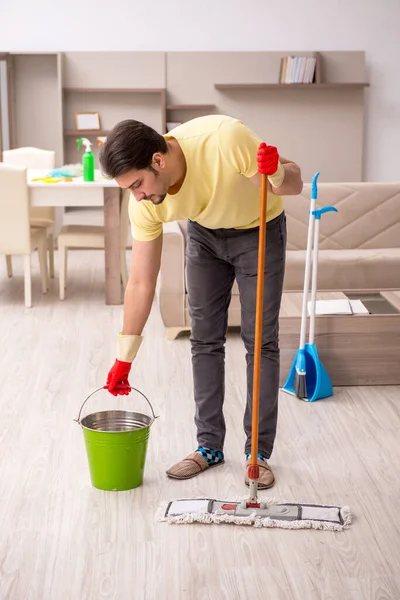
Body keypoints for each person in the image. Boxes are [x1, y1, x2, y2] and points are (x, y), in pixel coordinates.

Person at [100, 114, 303, 489]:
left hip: (259, 230)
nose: (138, 196)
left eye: (137, 184)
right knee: (204, 339)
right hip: (205, 235)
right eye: (129, 189)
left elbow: (295, 181)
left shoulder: (225, 138)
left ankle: (256, 453)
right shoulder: (144, 204)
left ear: (158, 161)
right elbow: (142, 282)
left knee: (260, 340)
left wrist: (274, 172)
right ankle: (208, 446)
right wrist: (123, 358)